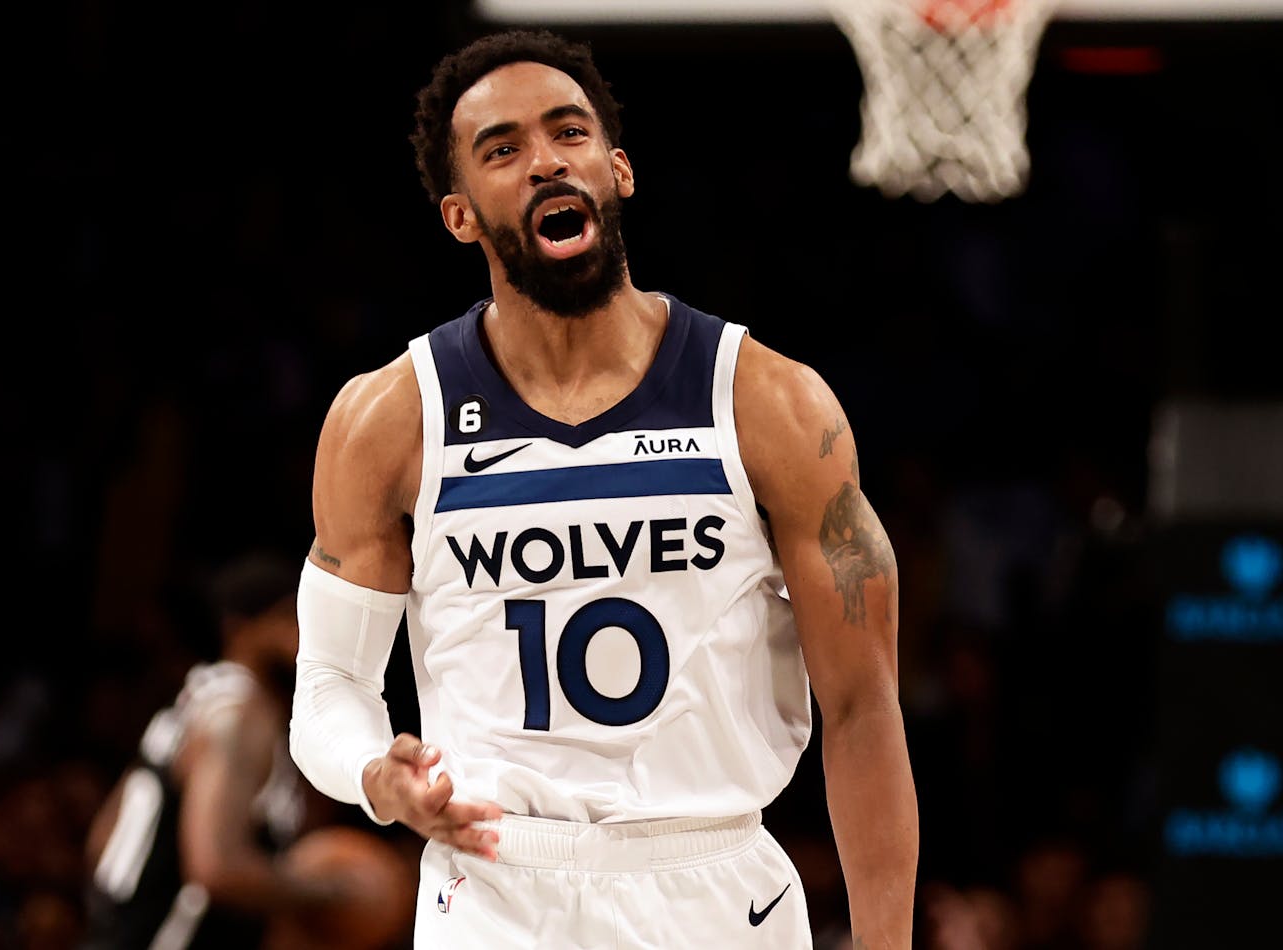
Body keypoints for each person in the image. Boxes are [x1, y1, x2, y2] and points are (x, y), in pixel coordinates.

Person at [289, 27, 919, 949]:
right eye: (503, 150)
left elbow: (864, 708)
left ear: (618, 169)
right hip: (497, 888)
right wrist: (374, 775)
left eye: (569, 132)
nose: (545, 161)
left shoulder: (769, 402)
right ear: (460, 215)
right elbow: (330, 686)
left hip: (717, 885)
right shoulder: (387, 419)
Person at [80, 551, 412, 949]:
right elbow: (216, 867)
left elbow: (102, 840)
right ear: (240, 627)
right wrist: (332, 891)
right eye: (288, 617)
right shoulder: (242, 716)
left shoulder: (195, 698)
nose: (303, 633)